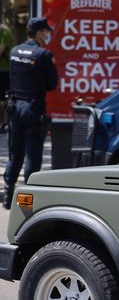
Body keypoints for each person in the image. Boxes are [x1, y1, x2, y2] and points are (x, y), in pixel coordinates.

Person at [4, 17, 58, 209]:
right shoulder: (43, 54)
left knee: (14, 154)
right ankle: (27, 198)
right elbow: (52, 84)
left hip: (15, 108)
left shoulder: (14, 51)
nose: (47, 35)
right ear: (38, 32)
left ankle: (8, 195)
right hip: (33, 110)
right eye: (45, 31)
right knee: (32, 155)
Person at [0, 21, 13, 133]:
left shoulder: (4, 32)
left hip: (4, 70)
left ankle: (5, 123)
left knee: (4, 98)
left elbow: (1, 50)